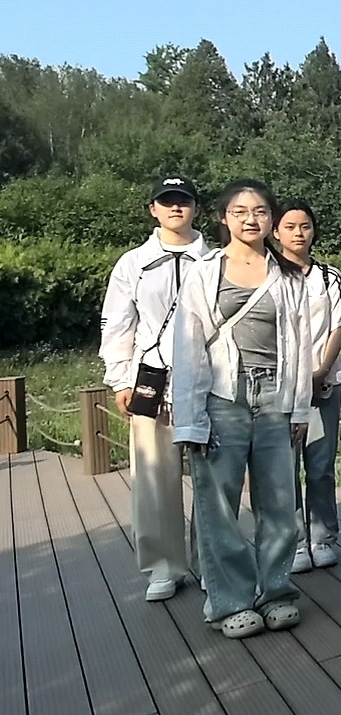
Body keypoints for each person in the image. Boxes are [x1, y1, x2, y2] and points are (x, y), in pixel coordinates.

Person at [172, 179, 313, 640]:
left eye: (260, 211)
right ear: (222, 217)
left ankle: (275, 590)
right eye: (240, 211)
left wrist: (299, 409)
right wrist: (190, 419)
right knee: (219, 505)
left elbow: (300, 346)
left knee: (280, 502)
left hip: (275, 396)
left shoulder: (288, 274)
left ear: (271, 219)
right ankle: (229, 600)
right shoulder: (204, 272)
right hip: (222, 397)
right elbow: (188, 345)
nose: (251, 219)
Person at [100, 175, 210, 602]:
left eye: (183, 200)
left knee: (212, 477)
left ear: (196, 208)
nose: (176, 208)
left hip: (207, 380)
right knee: (153, 476)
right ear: (153, 209)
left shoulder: (214, 259)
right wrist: (120, 379)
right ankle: (164, 565)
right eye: (167, 201)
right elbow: (118, 322)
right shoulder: (133, 263)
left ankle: (212, 560)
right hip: (152, 380)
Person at [274, 201, 341, 572]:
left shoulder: (329, 276)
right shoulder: (269, 275)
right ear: (276, 232)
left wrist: (321, 371)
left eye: (305, 226)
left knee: (320, 465)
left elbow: (340, 324)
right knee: (284, 468)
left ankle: (322, 537)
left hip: (322, 387)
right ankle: (295, 542)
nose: (298, 233)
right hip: (281, 389)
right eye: (290, 227)